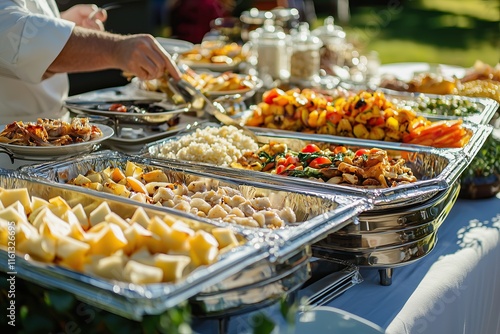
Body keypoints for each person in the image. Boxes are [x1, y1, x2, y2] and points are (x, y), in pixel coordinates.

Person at [0, 1, 181, 125]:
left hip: (50, 129)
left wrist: (61, 23)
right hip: (10, 144)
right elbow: (21, 41)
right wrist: (116, 49)